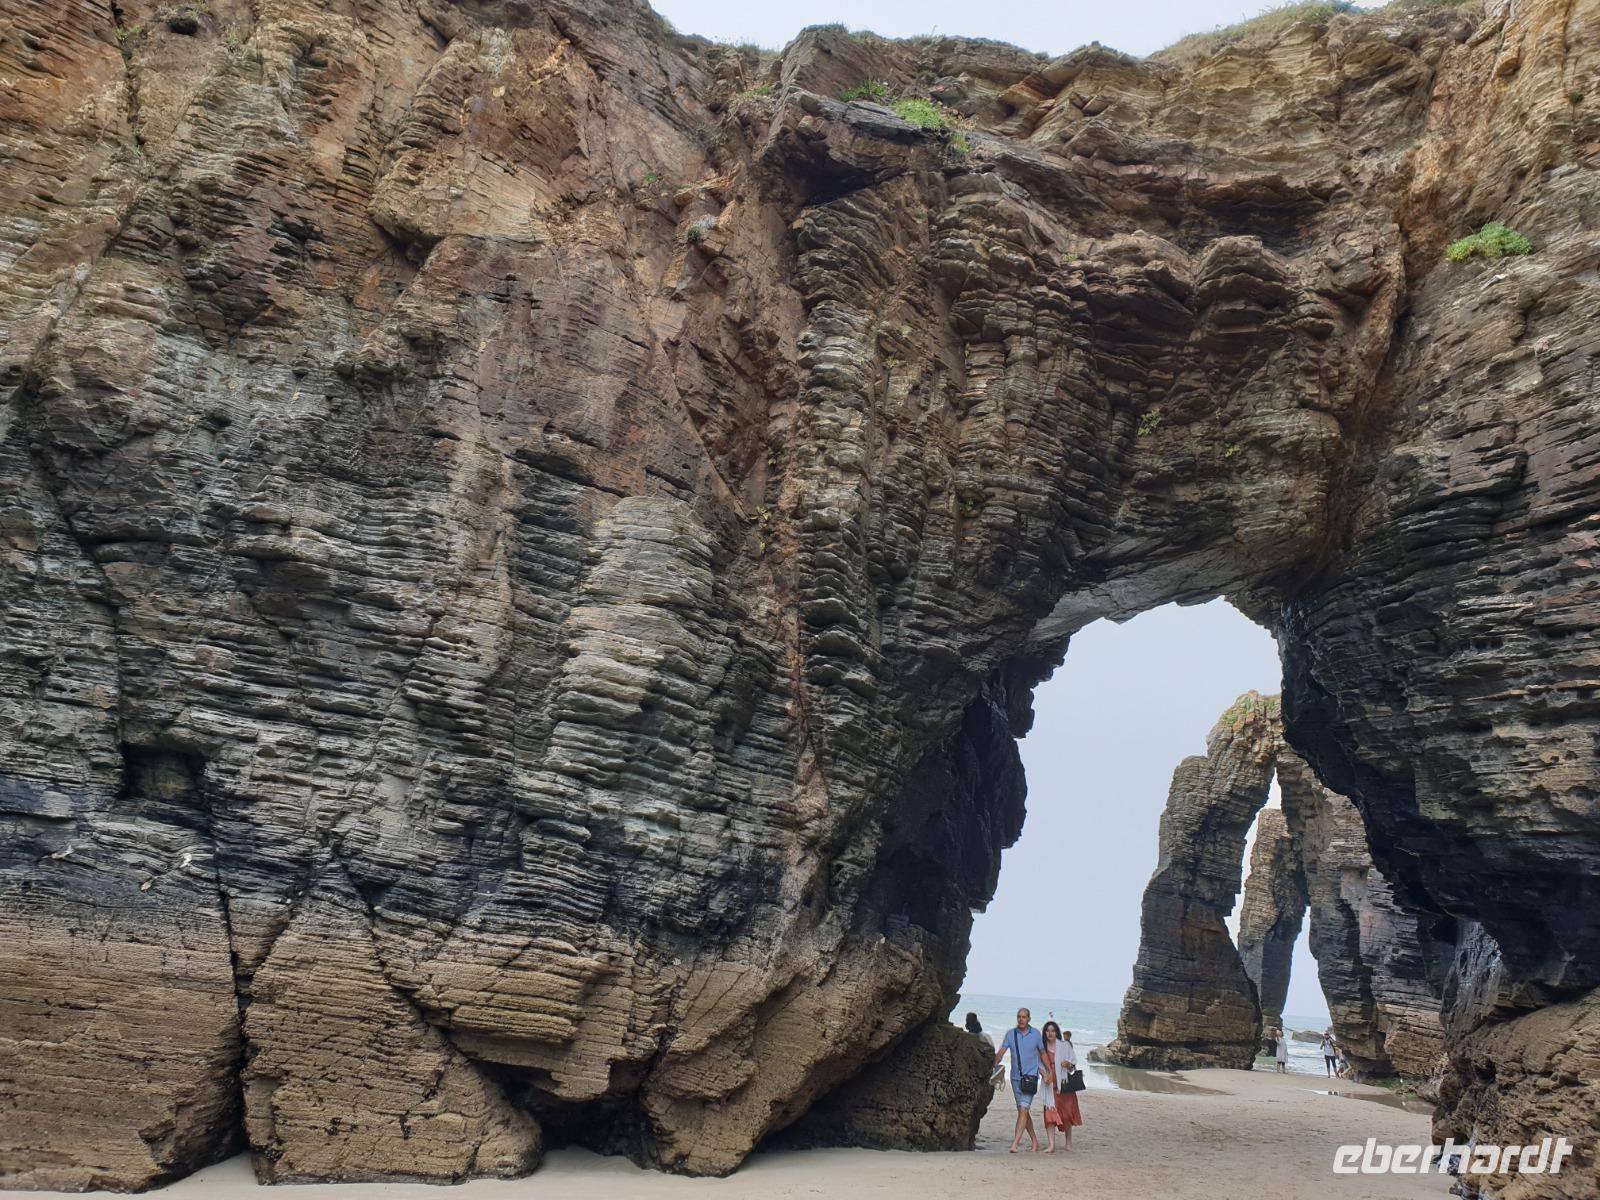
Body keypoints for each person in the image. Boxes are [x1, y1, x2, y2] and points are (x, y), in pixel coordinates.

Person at [993, 1007, 1043, 1153]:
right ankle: (1034, 1140)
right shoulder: (1011, 1034)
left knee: (1023, 1109)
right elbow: (1001, 1052)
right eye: (1019, 1017)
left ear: (1029, 1019)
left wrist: (1049, 1072)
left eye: (1024, 1017)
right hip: (1015, 1079)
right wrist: (993, 1065)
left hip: (1031, 1078)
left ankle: (1015, 1144)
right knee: (1023, 1111)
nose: (1021, 1019)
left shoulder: (1036, 1035)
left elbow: (1043, 1053)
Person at [1039, 1021, 1083, 1152]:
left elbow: (1073, 1065)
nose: (1050, 1033)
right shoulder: (1042, 1048)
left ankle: (1068, 1142)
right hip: (1049, 1084)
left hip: (1064, 1084)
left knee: (1067, 1113)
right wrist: (1044, 1075)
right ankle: (1051, 1145)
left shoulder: (1064, 1046)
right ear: (1045, 1033)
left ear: (1056, 1032)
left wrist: (1068, 1064)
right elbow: (1038, 1064)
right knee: (1049, 1114)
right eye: (1047, 1031)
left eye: (1052, 1030)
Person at [967, 1012, 1005, 1087]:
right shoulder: (985, 1035)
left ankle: (993, 1069)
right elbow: (992, 1048)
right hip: (990, 1058)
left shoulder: (977, 1037)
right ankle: (994, 1068)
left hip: (986, 1059)